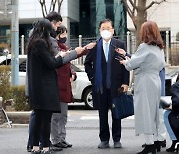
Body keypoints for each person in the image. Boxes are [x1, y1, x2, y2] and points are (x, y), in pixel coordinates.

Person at [27, 18, 85, 154]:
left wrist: (57, 56)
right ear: (45, 30)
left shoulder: (32, 43)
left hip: (37, 88)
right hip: (45, 88)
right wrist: (61, 56)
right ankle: (45, 147)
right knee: (46, 119)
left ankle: (35, 147)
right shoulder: (41, 43)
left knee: (39, 119)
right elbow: (51, 63)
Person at [120, 21, 165, 154]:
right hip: (155, 80)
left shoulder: (144, 47)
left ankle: (149, 143)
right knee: (154, 112)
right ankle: (157, 140)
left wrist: (125, 62)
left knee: (145, 111)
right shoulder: (159, 48)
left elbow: (132, 64)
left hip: (145, 80)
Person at [84, 19, 130, 149]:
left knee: (117, 113)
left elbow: (125, 64)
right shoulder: (94, 46)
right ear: (99, 30)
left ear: (113, 30)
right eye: (103, 28)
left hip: (116, 85)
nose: (106, 30)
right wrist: (92, 77)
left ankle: (117, 139)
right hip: (100, 87)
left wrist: (125, 82)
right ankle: (104, 139)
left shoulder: (119, 44)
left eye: (108, 28)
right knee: (102, 114)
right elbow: (87, 63)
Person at [50, 25, 75, 150]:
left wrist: (73, 74)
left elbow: (69, 66)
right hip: (57, 85)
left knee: (63, 115)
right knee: (56, 116)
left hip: (65, 85)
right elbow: (59, 63)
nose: (65, 37)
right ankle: (55, 140)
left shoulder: (65, 48)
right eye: (63, 34)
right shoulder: (55, 48)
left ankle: (62, 138)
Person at [164, 74, 179, 153]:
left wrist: (172, 107)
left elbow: (177, 102)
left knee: (167, 115)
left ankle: (175, 140)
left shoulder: (176, 86)